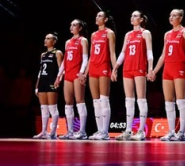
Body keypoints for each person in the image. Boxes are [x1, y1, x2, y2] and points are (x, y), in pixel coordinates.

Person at [148, 9, 185, 141]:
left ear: (181, 18)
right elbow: (163, 55)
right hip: (167, 69)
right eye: (170, 15)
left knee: (181, 101)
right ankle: (171, 131)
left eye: (174, 15)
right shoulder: (167, 34)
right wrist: (154, 71)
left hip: (179, 68)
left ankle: (182, 132)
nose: (171, 17)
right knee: (168, 102)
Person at [111, 11, 154, 141]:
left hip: (139, 68)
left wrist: (150, 68)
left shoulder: (145, 33)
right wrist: (115, 68)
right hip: (127, 69)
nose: (132, 17)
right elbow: (123, 53)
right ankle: (128, 131)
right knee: (128, 100)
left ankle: (141, 131)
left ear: (141, 19)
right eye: (131, 16)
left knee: (141, 99)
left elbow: (149, 52)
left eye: (135, 16)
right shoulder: (128, 34)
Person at [54, 19, 90, 139]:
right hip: (68, 74)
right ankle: (70, 131)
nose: (72, 27)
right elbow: (64, 61)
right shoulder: (68, 42)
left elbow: (85, 58)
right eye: (71, 25)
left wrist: (81, 72)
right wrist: (59, 76)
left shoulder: (83, 40)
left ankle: (82, 131)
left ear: (80, 28)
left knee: (80, 100)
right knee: (68, 102)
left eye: (74, 25)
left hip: (77, 73)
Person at [84, 11, 117, 140]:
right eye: (96, 15)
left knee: (104, 100)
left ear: (106, 19)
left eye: (100, 16)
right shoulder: (93, 35)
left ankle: (105, 132)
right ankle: (99, 130)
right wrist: (85, 73)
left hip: (103, 67)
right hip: (93, 67)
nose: (97, 17)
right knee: (96, 101)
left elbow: (112, 53)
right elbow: (91, 55)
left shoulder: (109, 33)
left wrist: (114, 69)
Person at [33, 33, 63, 139]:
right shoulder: (43, 55)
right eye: (45, 38)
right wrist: (37, 85)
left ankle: (53, 132)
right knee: (43, 108)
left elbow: (61, 69)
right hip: (43, 82)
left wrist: (58, 80)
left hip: (51, 81)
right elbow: (40, 71)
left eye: (48, 38)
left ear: (54, 41)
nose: (45, 40)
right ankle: (44, 131)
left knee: (52, 108)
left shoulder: (57, 53)